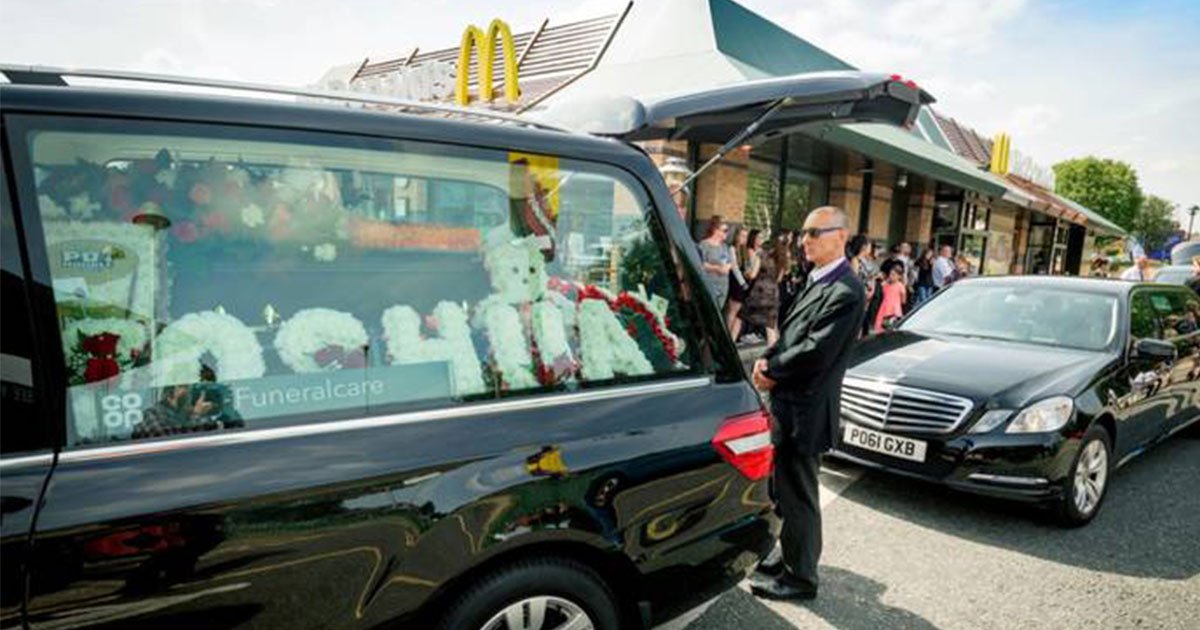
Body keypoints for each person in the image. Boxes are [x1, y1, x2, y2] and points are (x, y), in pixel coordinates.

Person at [749, 206, 865, 602]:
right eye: (804, 233)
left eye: (815, 232)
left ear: (841, 237)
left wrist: (772, 370)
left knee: (799, 497)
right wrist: (768, 360)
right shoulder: (817, 280)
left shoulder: (847, 290)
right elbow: (791, 334)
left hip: (806, 411)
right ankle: (788, 556)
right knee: (782, 491)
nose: (805, 240)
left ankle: (801, 579)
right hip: (788, 405)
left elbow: (816, 351)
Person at [743, 232, 786, 346]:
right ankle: (777, 351)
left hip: (760, 291)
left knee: (742, 316)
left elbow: (752, 274)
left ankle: (772, 355)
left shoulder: (761, 255)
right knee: (773, 324)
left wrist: (745, 273)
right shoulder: (782, 259)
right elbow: (779, 279)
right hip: (774, 292)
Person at [725, 227, 756, 340]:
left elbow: (747, 267)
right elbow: (735, 268)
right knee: (732, 310)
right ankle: (727, 335)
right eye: (742, 236)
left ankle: (732, 336)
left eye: (746, 236)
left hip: (744, 282)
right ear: (737, 236)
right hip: (736, 283)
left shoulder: (744, 250)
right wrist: (743, 283)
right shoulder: (732, 248)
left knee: (738, 312)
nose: (744, 238)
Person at [697, 215, 733, 309]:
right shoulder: (704, 244)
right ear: (716, 230)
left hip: (723, 286)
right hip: (710, 284)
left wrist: (727, 267)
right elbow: (700, 264)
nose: (727, 233)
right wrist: (716, 268)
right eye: (725, 230)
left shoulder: (724, 246)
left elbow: (729, 262)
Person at [848, 235, 878, 337]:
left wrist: (872, 288)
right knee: (857, 319)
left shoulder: (868, 261)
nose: (871, 248)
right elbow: (854, 279)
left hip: (867, 295)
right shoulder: (855, 260)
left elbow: (872, 276)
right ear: (863, 247)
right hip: (860, 294)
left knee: (863, 318)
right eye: (869, 245)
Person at [874, 259, 907, 333]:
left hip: (895, 309)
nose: (891, 276)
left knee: (892, 327)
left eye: (894, 275)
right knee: (881, 326)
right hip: (885, 307)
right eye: (890, 274)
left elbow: (903, 300)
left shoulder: (900, 286)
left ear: (899, 276)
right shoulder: (885, 284)